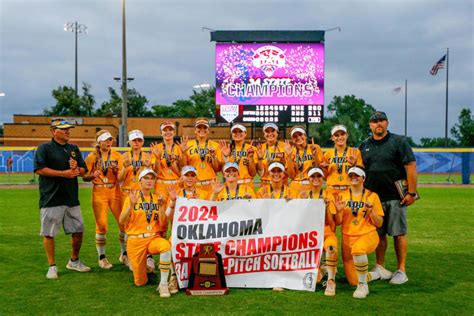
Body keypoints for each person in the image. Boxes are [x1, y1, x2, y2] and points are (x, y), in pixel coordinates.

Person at [359, 111, 417, 285]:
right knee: (379, 234)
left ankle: (401, 270)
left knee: (398, 233)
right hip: (373, 197)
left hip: (395, 196)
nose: (378, 123)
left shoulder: (398, 142)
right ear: (370, 125)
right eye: (374, 121)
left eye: (381, 120)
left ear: (387, 123)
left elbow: (411, 165)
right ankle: (380, 266)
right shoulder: (364, 145)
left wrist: (411, 192)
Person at [34, 118, 91, 279]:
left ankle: (74, 261)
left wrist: (76, 168)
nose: (67, 131)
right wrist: (63, 174)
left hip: (71, 198)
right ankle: (52, 266)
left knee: (78, 231)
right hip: (51, 197)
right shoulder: (44, 148)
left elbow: (83, 170)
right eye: (63, 129)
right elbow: (39, 169)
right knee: (49, 233)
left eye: (68, 129)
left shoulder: (74, 149)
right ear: (53, 131)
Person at [119, 168, 172, 298]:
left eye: (152, 178)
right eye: (146, 178)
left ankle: (163, 283)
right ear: (140, 181)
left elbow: (163, 222)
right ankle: (144, 267)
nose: (149, 181)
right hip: (136, 240)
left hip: (152, 238)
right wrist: (131, 205)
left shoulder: (156, 199)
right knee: (140, 282)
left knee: (166, 246)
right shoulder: (132, 198)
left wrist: (160, 207)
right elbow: (122, 220)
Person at [333, 166, 384, 299]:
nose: (353, 178)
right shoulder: (342, 196)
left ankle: (363, 286)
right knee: (352, 280)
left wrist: (372, 211)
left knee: (358, 249)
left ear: (363, 178)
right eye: (350, 175)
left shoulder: (372, 196)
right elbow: (338, 222)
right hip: (347, 237)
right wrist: (338, 211)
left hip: (367, 234)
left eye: (357, 175)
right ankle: (377, 274)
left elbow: (379, 223)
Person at [118, 129, 159, 272]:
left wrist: (148, 165)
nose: (136, 143)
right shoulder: (123, 156)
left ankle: (147, 255)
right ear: (129, 142)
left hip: (144, 194)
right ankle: (127, 254)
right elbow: (119, 179)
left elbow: (154, 175)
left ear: (142, 142)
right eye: (134, 140)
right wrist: (124, 167)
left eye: (139, 140)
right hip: (127, 193)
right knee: (126, 225)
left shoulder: (148, 156)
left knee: (146, 222)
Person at [85, 130, 126, 269]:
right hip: (99, 190)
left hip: (115, 190)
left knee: (123, 222)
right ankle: (102, 257)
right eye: (105, 140)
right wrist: (92, 175)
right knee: (102, 225)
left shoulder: (117, 155)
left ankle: (124, 254)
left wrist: (116, 171)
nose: (109, 142)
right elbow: (84, 176)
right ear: (99, 142)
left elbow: (121, 176)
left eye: (110, 140)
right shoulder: (92, 157)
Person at [165, 165, 208, 294]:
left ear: (196, 178)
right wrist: (173, 202)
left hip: (199, 233)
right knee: (171, 244)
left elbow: (212, 214)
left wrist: (200, 204)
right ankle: (174, 276)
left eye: (192, 175)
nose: (189, 178)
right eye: (187, 175)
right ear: (181, 178)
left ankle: (204, 275)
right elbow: (168, 215)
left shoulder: (204, 194)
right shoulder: (176, 193)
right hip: (180, 233)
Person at [298, 167, 338, 296]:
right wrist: (300, 202)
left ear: (323, 179)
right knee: (315, 280)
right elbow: (297, 220)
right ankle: (319, 269)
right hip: (309, 233)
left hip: (325, 231)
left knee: (331, 248)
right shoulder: (303, 195)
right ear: (308, 179)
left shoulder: (329, 195)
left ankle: (331, 281)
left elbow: (332, 224)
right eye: (312, 176)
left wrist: (326, 208)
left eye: (318, 176)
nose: (315, 179)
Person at [179, 118, 222, 198]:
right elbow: (183, 167)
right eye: (199, 127)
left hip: (211, 183)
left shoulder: (215, 146)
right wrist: (183, 153)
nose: (202, 130)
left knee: (211, 208)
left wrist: (213, 157)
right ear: (195, 130)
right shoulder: (188, 145)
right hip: (194, 184)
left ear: (208, 130)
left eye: (205, 127)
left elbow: (217, 169)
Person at [322, 124, 363, 196]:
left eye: (342, 134)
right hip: (332, 190)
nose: (340, 137)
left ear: (347, 135)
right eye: (336, 135)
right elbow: (324, 177)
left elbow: (361, 175)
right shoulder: (327, 154)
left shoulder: (355, 152)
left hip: (349, 189)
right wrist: (324, 169)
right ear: (332, 138)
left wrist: (354, 165)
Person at [151, 121, 183, 201]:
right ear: (161, 133)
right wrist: (158, 159)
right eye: (165, 130)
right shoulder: (156, 148)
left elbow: (182, 172)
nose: (168, 132)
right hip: (161, 184)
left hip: (177, 184)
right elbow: (156, 172)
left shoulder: (179, 148)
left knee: (175, 211)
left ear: (174, 132)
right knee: (161, 210)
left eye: (170, 129)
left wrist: (174, 164)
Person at [219, 124, 257, 189]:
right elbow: (223, 172)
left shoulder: (251, 149)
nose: (237, 133)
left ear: (245, 133)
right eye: (235, 132)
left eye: (240, 131)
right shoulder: (226, 149)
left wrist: (250, 157)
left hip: (246, 184)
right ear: (231, 134)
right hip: (230, 184)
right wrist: (226, 157)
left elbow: (253, 174)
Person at [287, 125, 323, 193]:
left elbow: (320, 170)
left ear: (305, 136)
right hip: (296, 185)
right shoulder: (291, 151)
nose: (298, 137)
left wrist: (315, 156)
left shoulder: (315, 147)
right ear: (292, 140)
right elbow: (291, 176)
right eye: (295, 136)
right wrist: (289, 156)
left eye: (300, 134)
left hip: (311, 184)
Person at [255, 123, 293, 188]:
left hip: (282, 183)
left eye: (273, 131)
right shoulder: (260, 148)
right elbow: (260, 173)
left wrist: (284, 159)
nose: (270, 134)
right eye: (267, 131)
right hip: (265, 184)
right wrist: (260, 159)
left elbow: (289, 172)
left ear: (277, 133)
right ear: (264, 134)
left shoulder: (285, 146)